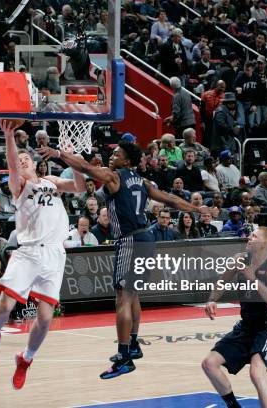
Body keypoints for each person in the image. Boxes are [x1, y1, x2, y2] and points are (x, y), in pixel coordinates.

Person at [39, 140, 206, 379]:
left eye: (116, 154)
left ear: (127, 161)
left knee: (122, 299)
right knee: (133, 294)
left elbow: (86, 168)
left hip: (130, 240)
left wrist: (57, 153)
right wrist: (197, 209)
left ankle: (124, 357)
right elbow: (170, 200)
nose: (112, 156)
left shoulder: (114, 176)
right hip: (146, 239)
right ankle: (134, 344)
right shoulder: (144, 182)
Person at [0, 120, 85, 389]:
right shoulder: (18, 186)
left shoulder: (51, 181)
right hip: (27, 253)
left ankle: (26, 359)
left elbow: (80, 186)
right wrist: (9, 135)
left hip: (54, 255)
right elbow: (12, 163)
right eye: (20, 158)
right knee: (5, 306)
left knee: (47, 318)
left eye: (27, 158)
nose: (23, 161)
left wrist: (73, 158)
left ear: (36, 163)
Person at [202, 227, 267, 408]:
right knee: (209, 363)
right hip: (246, 326)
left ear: (264, 243)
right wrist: (211, 300)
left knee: (256, 373)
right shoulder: (239, 259)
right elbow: (222, 282)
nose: (249, 237)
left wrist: (253, 279)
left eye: (254, 236)